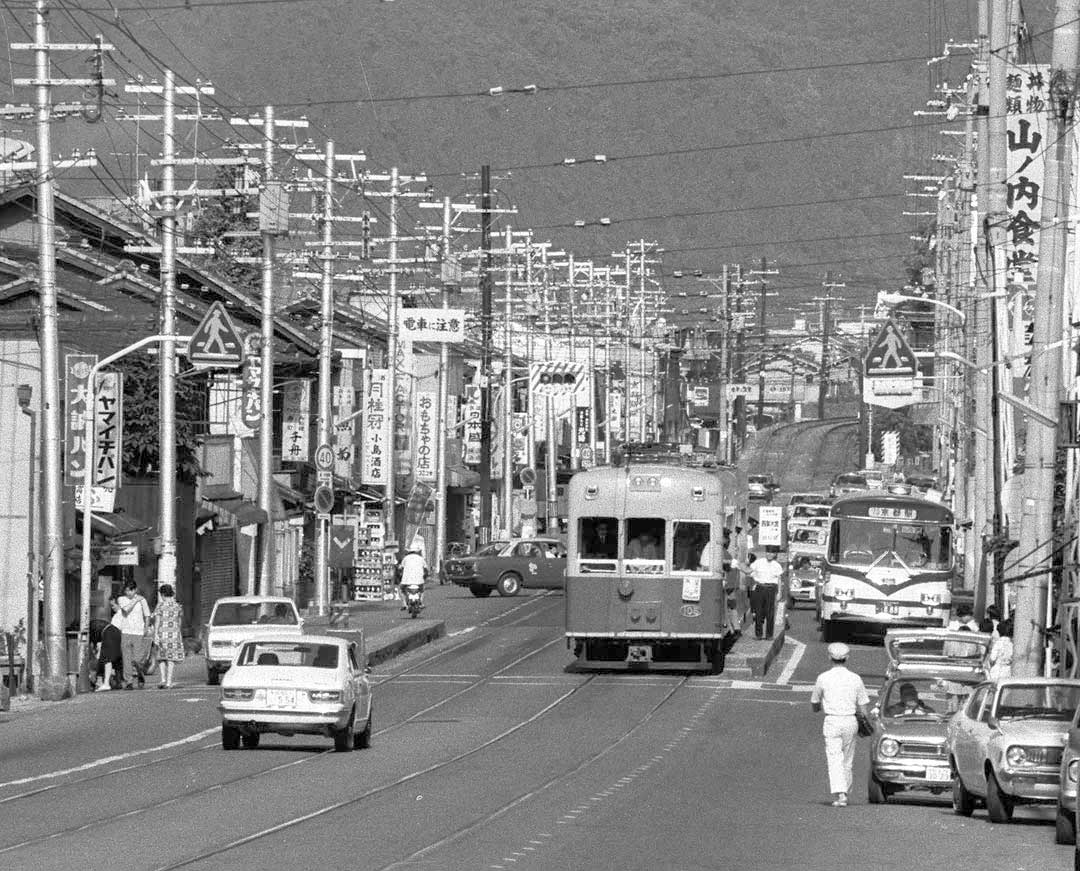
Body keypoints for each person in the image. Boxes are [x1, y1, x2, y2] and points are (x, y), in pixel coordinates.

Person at [810, 642, 870, 807]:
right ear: (847, 658)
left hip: (832, 720)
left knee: (834, 757)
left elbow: (814, 702)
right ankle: (845, 791)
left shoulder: (823, 678)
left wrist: (819, 707)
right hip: (850, 720)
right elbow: (864, 709)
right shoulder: (855, 678)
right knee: (847, 758)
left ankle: (840, 794)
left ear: (830, 657)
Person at [116, 580, 151, 690]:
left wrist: (146, 628)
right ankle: (129, 681)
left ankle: (140, 674)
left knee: (137, 659)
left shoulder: (143, 600)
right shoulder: (121, 599)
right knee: (126, 658)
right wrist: (136, 600)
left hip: (138, 632)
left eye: (131, 590)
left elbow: (147, 615)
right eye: (126, 590)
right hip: (126, 631)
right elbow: (126, 610)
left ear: (135, 589)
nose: (128, 592)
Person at [152, 584, 185, 689]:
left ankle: (162, 679)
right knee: (171, 659)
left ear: (162, 594)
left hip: (162, 633)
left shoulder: (160, 606)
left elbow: (157, 621)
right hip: (174, 634)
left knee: (161, 658)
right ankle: (169, 682)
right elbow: (179, 622)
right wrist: (177, 632)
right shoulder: (178, 606)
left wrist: (156, 634)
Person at [748, 549, 783, 639]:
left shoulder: (777, 565)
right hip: (759, 587)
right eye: (768, 552)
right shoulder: (758, 562)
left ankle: (769, 635)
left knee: (770, 613)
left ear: (774, 554)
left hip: (771, 589)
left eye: (772, 553)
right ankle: (758, 635)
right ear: (765, 553)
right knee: (758, 612)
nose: (769, 554)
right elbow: (749, 570)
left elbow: (779, 579)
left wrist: (779, 592)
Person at [93, 596, 124, 692]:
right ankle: (118, 682)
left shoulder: (120, 615)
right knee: (118, 659)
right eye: (111, 606)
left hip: (111, 634)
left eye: (113, 605)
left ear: (120, 604)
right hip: (118, 636)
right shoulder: (120, 615)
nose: (112, 608)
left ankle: (105, 683)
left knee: (106, 658)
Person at [398, 543, 428, 608]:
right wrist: (425, 577)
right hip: (419, 581)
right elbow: (426, 569)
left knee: (401, 590)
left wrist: (400, 575)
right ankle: (421, 602)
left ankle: (404, 604)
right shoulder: (421, 559)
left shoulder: (405, 558)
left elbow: (400, 568)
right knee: (422, 590)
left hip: (406, 581)